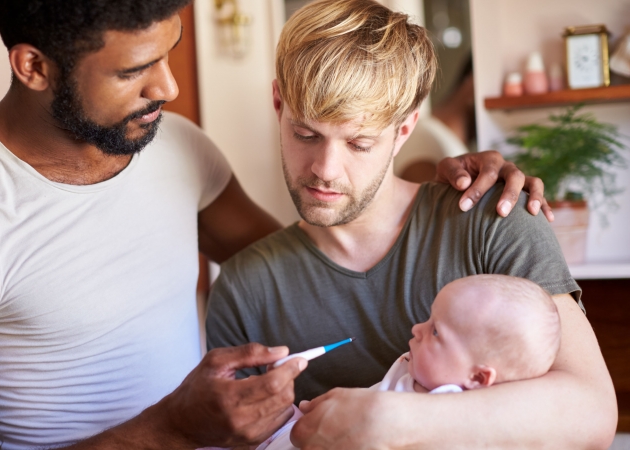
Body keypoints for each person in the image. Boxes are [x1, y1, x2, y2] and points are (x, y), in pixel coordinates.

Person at [0, 0, 554, 448]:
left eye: (168, 55)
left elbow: (310, 249)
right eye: (131, 71)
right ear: (33, 67)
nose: (168, 87)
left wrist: (435, 179)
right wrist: (170, 429)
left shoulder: (174, 145)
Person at [205, 0, 617, 448]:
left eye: (359, 143)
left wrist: (398, 420)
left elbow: (592, 413)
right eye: (306, 134)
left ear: (404, 130)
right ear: (278, 102)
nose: (325, 168)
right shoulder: (244, 288)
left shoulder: (491, 223)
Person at [238, 274, 562, 450]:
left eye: (436, 331)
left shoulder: (448, 419)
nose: (417, 329)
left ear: (477, 378)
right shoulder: (417, 371)